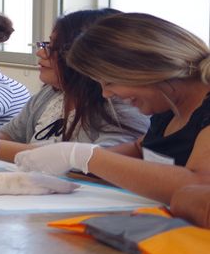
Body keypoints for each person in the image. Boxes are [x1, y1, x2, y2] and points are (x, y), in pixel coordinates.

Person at [14, 13, 210, 204]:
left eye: (109, 82)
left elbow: (199, 187)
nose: (106, 94)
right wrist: (72, 164)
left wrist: (83, 156)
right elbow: (139, 149)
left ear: (144, 71)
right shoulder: (169, 105)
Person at [0, 9, 149, 163]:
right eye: (45, 44)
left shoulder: (123, 104)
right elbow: (11, 134)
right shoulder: (51, 94)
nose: (40, 53)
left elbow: (97, 160)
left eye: (52, 47)